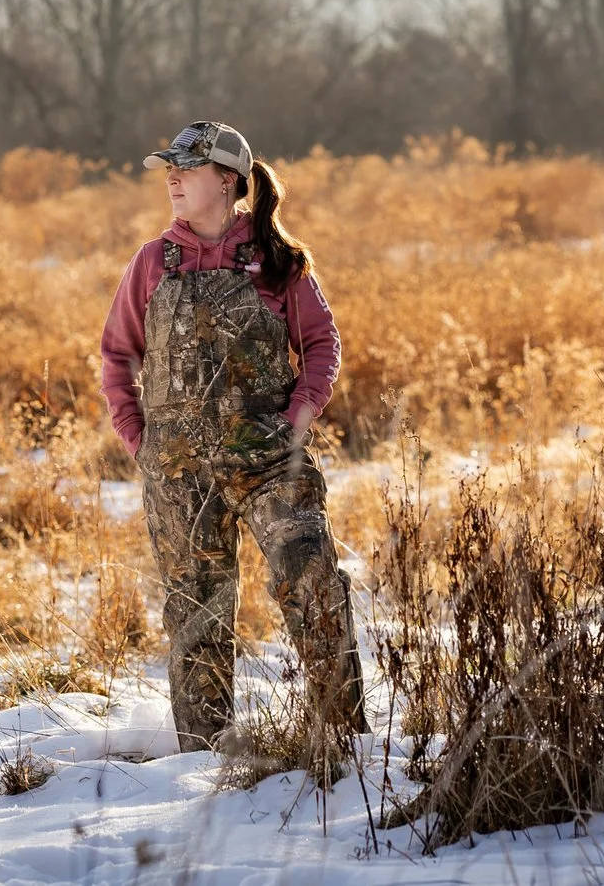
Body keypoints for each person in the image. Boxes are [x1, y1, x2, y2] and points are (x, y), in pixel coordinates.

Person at [99, 119, 368, 753]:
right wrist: (140, 439)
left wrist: (300, 417)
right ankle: (203, 757)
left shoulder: (277, 261)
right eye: (168, 167)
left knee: (311, 577)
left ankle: (345, 740)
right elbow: (118, 357)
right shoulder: (152, 261)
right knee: (195, 610)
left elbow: (322, 343)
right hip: (177, 471)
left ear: (227, 180)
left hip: (270, 459)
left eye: (185, 169)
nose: (171, 178)